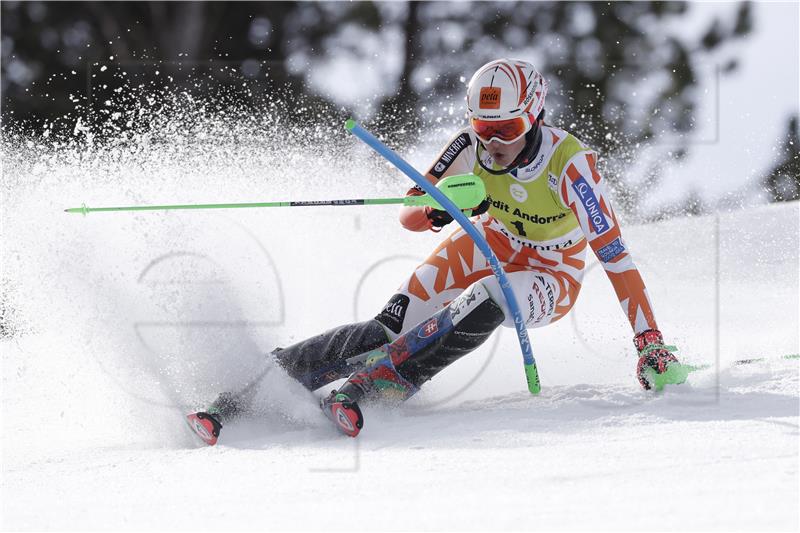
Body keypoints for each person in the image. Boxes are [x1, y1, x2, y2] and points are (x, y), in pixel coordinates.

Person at [186, 58, 679, 445]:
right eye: (483, 128)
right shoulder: (467, 145)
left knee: (490, 296)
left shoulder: (570, 165)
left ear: (533, 118)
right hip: (486, 243)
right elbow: (409, 213)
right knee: (385, 328)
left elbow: (616, 257)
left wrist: (649, 341)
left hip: (551, 274)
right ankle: (247, 395)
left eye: (506, 129)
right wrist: (440, 209)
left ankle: (379, 384)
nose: (493, 142)